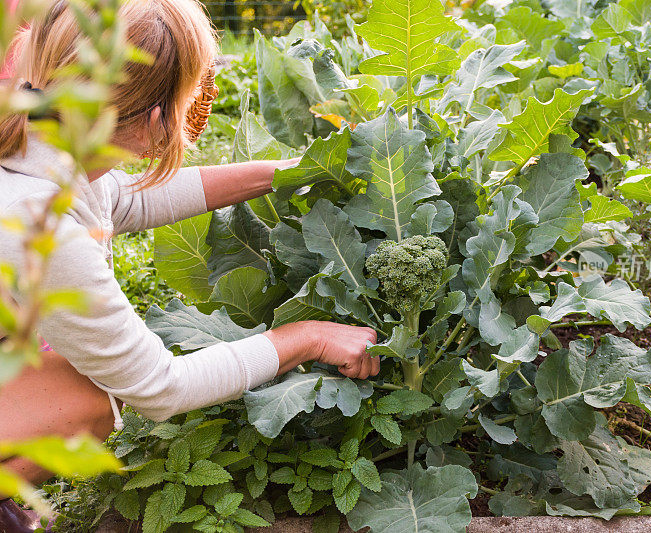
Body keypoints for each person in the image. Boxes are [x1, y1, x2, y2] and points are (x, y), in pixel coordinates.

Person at [0, 1, 379, 528]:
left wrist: (291, 171)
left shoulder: (35, 132)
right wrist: (309, 336)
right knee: (89, 394)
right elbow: (161, 388)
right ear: (156, 116)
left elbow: (126, 199)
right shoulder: (37, 226)